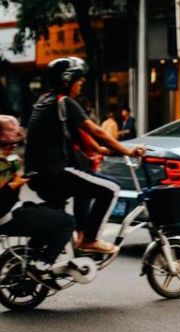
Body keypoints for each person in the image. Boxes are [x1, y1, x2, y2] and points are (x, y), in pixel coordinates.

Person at [25, 57, 145, 254]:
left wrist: (104, 150)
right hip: (56, 171)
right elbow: (96, 132)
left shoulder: (44, 101)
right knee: (111, 188)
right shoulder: (65, 103)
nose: (81, 84)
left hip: (37, 175)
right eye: (78, 80)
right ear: (67, 81)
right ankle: (89, 239)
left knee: (61, 214)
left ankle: (38, 256)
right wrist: (128, 151)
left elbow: (83, 137)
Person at [0, 115, 73, 290]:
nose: (13, 147)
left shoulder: (9, 161)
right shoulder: (3, 162)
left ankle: (33, 258)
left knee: (47, 214)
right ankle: (42, 266)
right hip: (7, 216)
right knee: (67, 222)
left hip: (10, 212)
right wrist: (14, 185)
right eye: (10, 144)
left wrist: (18, 178)